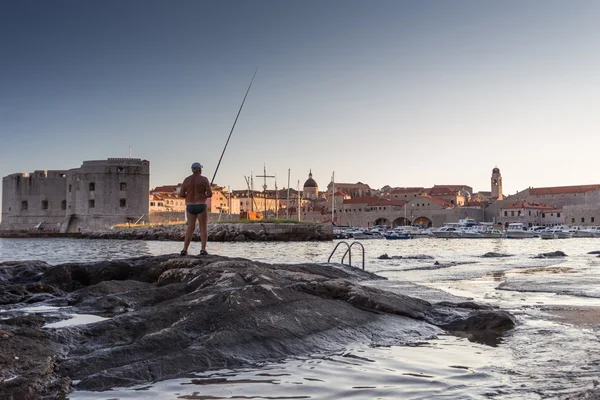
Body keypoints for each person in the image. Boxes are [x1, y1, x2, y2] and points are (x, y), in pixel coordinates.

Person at [179, 162, 213, 255]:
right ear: (200, 169)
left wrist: (189, 195)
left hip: (190, 206)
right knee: (203, 227)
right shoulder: (204, 179)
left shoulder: (186, 180)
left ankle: (184, 249)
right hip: (201, 205)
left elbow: (181, 194)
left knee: (190, 228)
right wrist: (204, 195)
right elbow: (210, 194)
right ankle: (203, 249)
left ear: (192, 170)